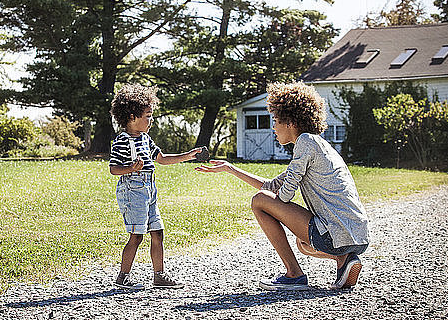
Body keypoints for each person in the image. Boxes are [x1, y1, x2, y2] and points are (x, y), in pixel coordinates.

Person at [196, 82, 369, 290]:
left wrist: (273, 201)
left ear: (291, 122)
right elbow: (271, 186)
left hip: (335, 234)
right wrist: (231, 169)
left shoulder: (305, 142)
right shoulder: (318, 146)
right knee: (302, 244)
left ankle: (294, 274)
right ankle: (345, 261)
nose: (273, 127)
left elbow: (283, 195)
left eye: (276, 120)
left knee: (259, 201)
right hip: (358, 236)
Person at [109, 84, 204, 291]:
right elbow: (113, 169)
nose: (151, 121)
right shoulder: (122, 141)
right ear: (132, 116)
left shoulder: (145, 139)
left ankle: (159, 276)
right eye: (148, 116)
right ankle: (123, 277)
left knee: (157, 232)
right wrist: (130, 168)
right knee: (137, 235)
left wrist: (188, 155)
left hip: (149, 189)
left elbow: (161, 159)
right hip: (133, 190)